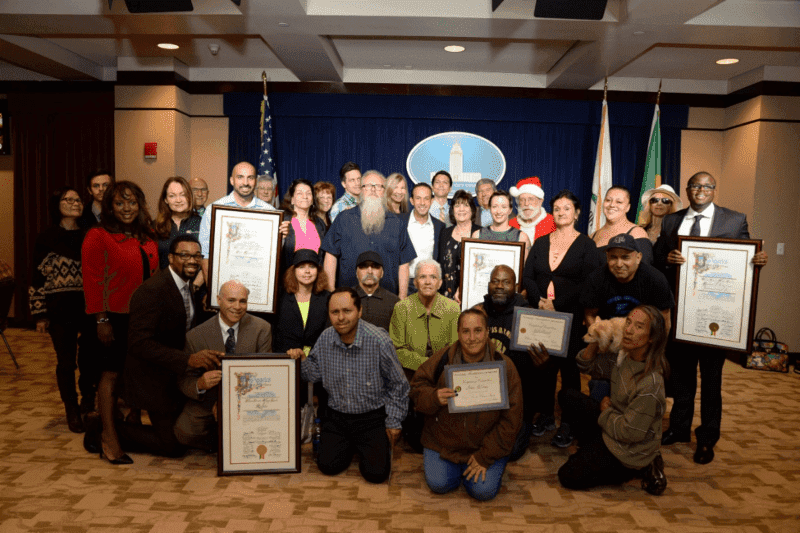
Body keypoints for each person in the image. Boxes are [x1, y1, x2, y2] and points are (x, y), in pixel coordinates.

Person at [655, 171, 768, 464]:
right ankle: (679, 429)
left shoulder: (734, 220)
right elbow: (657, 259)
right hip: (682, 314)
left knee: (711, 380)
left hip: (714, 317)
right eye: (695, 186)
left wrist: (758, 261)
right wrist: (668, 259)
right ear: (688, 190)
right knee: (682, 378)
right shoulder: (671, 220)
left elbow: (744, 258)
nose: (700, 190)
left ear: (714, 190)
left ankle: (707, 439)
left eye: (707, 186)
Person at [89, 235, 222, 461]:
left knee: (187, 432)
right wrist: (187, 360)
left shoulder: (186, 286)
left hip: (173, 375)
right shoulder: (152, 290)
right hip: (150, 379)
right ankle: (100, 432)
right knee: (171, 446)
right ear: (170, 258)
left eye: (196, 255)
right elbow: (139, 344)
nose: (192, 260)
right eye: (184, 255)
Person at [290, 288, 409, 484]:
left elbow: (399, 384)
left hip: (371, 417)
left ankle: (365, 445)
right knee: (328, 466)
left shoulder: (379, 340)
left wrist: (394, 421)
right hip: (337, 416)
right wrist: (302, 360)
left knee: (376, 474)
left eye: (347, 311)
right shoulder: (326, 338)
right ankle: (351, 445)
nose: (341, 318)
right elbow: (314, 374)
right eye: (334, 312)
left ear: (359, 311)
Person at [550, 305, 669, 492]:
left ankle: (641, 467)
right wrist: (597, 337)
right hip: (614, 420)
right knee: (567, 396)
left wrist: (605, 412)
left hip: (629, 447)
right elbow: (585, 365)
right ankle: (596, 448)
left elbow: (629, 433)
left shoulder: (650, 385)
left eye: (638, 327)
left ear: (652, 337)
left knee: (568, 475)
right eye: (628, 322)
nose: (628, 330)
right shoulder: (624, 355)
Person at [81, 181, 159, 464]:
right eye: (119, 203)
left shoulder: (145, 235)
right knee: (111, 375)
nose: (126, 208)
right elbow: (92, 280)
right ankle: (108, 438)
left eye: (132, 202)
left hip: (142, 318)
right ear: (109, 207)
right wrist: (101, 319)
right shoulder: (98, 236)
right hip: (112, 317)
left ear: (139, 205)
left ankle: (129, 428)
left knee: (135, 374)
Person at [409, 308, 523, 501]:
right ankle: (457, 469)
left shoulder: (505, 366)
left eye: (478, 331)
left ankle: (473, 466)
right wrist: (434, 397)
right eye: (465, 331)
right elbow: (416, 387)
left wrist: (485, 456)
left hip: (484, 445)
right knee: (439, 484)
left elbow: (512, 419)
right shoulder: (443, 358)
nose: (472, 338)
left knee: (482, 491)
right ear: (458, 333)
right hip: (443, 444)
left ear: (487, 333)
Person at [522, 190, 601, 448]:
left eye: (566, 208)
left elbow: (589, 283)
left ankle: (569, 422)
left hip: (570, 316)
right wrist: (541, 302)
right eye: (557, 208)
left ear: (577, 213)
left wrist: (558, 304)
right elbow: (528, 276)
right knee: (542, 366)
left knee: (569, 371)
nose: (561, 212)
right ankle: (545, 415)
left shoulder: (587, 245)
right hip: (541, 315)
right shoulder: (542, 241)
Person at [30, 187, 99, 432]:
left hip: (88, 307)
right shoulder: (46, 238)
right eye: (68, 199)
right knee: (66, 361)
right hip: (59, 309)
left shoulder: (91, 235)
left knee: (89, 359)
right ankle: (71, 408)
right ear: (57, 205)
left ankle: (87, 402)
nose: (74, 203)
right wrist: (39, 314)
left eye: (78, 199)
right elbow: (37, 278)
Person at [175, 280, 272, 451]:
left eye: (243, 301)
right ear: (219, 300)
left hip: (249, 399)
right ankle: (221, 443)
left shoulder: (261, 329)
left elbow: (265, 374)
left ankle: (232, 441)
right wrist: (200, 384)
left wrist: (230, 403)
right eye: (231, 300)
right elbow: (184, 380)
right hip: (209, 399)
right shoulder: (195, 336)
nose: (237, 306)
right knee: (183, 431)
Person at [472, 265, 536, 461]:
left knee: (512, 450)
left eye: (506, 282)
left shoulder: (528, 316)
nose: (499, 286)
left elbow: (539, 368)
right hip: (484, 392)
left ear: (515, 286)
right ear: (489, 284)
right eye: (495, 281)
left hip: (515, 396)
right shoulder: (478, 313)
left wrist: (543, 363)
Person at [322, 170, 416, 298]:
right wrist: (331, 291)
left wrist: (402, 296)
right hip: (348, 297)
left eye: (378, 186)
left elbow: (404, 263)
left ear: (384, 191)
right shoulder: (343, 219)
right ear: (361, 190)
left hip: (387, 299)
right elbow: (330, 255)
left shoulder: (397, 224)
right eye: (368, 186)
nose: (373, 190)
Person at [274, 250, 331, 413]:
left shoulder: (328, 298)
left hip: (317, 368)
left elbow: (329, 334)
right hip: (286, 366)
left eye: (312, 266)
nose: (307, 271)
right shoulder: (280, 297)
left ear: (318, 271)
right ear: (293, 271)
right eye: (301, 267)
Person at [197, 161, 276, 277]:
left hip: (257, 279)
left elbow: (272, 254)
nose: (245, 183)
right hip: (224, 278)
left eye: (250, 178)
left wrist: (281, 237)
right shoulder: (213, 210)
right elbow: (205, 254)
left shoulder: (270, 212)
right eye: (240, 177)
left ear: (255, 181)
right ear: (232, 180)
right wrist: (212, 290)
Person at [390, 260, 459, 375]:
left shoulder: (453, 308)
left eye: (433, 277)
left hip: (443, 373)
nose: (428, 282)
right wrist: (426, 365)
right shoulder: (402, 308)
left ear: (440, 283)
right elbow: (397, 350)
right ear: (415, 282)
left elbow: (455, 348)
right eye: (422, 277)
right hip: (410, 374)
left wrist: (437, 366)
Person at [591, 186, 653, 264]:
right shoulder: (592, 236)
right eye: (608, 200)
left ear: (628, 207)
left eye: (619, 202)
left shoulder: (637, 233)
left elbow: (644, 269)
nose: (612, 205)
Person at [437, 190, 480, 301]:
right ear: (452, 210)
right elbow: (440, 263)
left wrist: (462, 289)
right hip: (445, 295)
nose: (461, 209)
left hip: (470, 294)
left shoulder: (480, 233)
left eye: (466, 205)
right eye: (457, 205)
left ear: (472, 210)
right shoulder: (445, 233)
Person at [279, 179, 327, 276]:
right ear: (292, 199)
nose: (305, 196)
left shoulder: (320, 224)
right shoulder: (282, 221)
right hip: (288, 279)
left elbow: (324, 256)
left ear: (313, 199)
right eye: (300, 193)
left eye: (308, 193)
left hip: (315, 279)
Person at [404, 183, 445, 295]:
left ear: (432, 201)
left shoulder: (439, 226)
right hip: (406, 284)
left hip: (430, 285)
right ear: (411, 201)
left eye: (426, 199)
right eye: (418, 198)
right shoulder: (400, 222)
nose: (422, 203)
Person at [154, 176, 202, 270]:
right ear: (165, 200)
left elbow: (207, 260)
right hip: (165, 282)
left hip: (195, 283)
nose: (178, 200)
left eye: (183, 195)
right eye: (172, 196)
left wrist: (195, 285)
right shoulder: (156, 226)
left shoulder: (202, 223)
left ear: (189, 197)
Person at [472, 190, 531, 261]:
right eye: (494, 207)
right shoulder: (477, 235)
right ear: (490, 209)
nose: (499, 211)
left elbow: (525, 269)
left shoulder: (522, 238)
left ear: (510, 210)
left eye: (503, 207)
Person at [352, 251, 399, 332]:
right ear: (356, 272)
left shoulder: (394, 302)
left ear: (382, 273)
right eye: (364, 266)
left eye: (375, 267)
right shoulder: (345, 298)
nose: (370, 271)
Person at [509, 176, 556, 244]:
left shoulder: (553, 223)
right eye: (522, 200)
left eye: (531, 199)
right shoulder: (511, 224)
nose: (526, 203)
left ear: (540, 201)